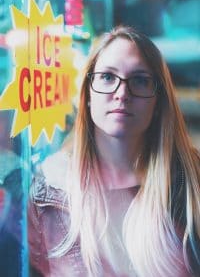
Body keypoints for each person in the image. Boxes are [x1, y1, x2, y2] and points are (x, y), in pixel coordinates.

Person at [28, 25, 200, 277]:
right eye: (108, 77)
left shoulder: (192, 183)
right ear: (87, 92)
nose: (122, 93)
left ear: (158, 99)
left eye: (140, 80)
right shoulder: (49, 189)